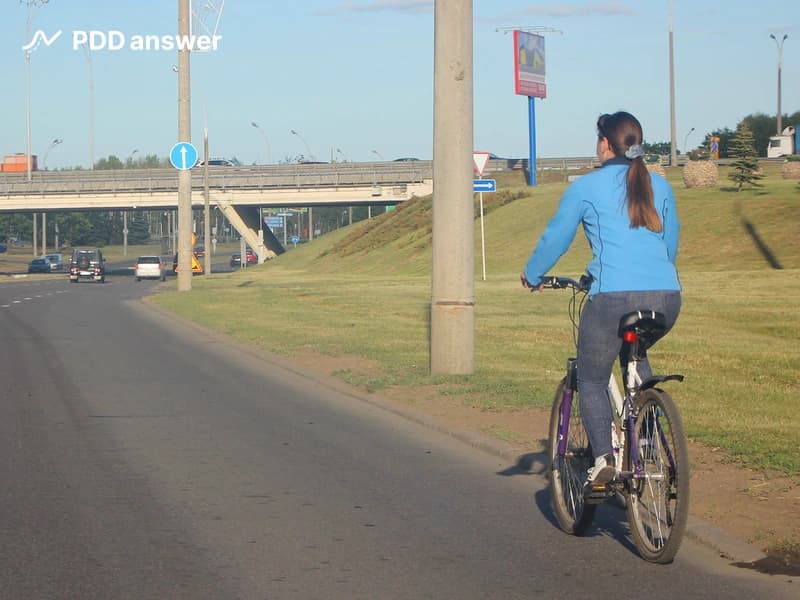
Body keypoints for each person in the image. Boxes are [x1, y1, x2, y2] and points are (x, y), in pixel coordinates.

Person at [520, 111, 681, 485]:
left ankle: (604, 459)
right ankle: (646, 438)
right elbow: (668, 245)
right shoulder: (661, 186)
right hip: (667, 297)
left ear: (605, 144)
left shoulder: (586, 188)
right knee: (635, 354)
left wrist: (532, 274)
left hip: (612, 298)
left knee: (591, 379)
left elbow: (556, 238)